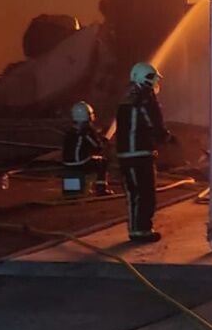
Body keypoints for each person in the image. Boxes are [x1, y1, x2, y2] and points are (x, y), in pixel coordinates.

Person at [115, 62, 173, 243]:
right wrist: (166, 138)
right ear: (146, 78)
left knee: (137, 194)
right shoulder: (146, 97)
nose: (156, 82)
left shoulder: (127, 97)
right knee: (144, 193)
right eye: (154, 77)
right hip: (139, 153)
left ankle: (140, 230)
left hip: (127, 154)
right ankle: (140, 231)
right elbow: (153, 121)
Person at [61, 100, 110, 195]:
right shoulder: (87, 130)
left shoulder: (71, 131)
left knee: (91, 160)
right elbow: (98, 147)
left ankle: (75, 189)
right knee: (102, 162)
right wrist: (104, 141)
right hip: (80, 163)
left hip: (67, 163)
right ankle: (101, 189)